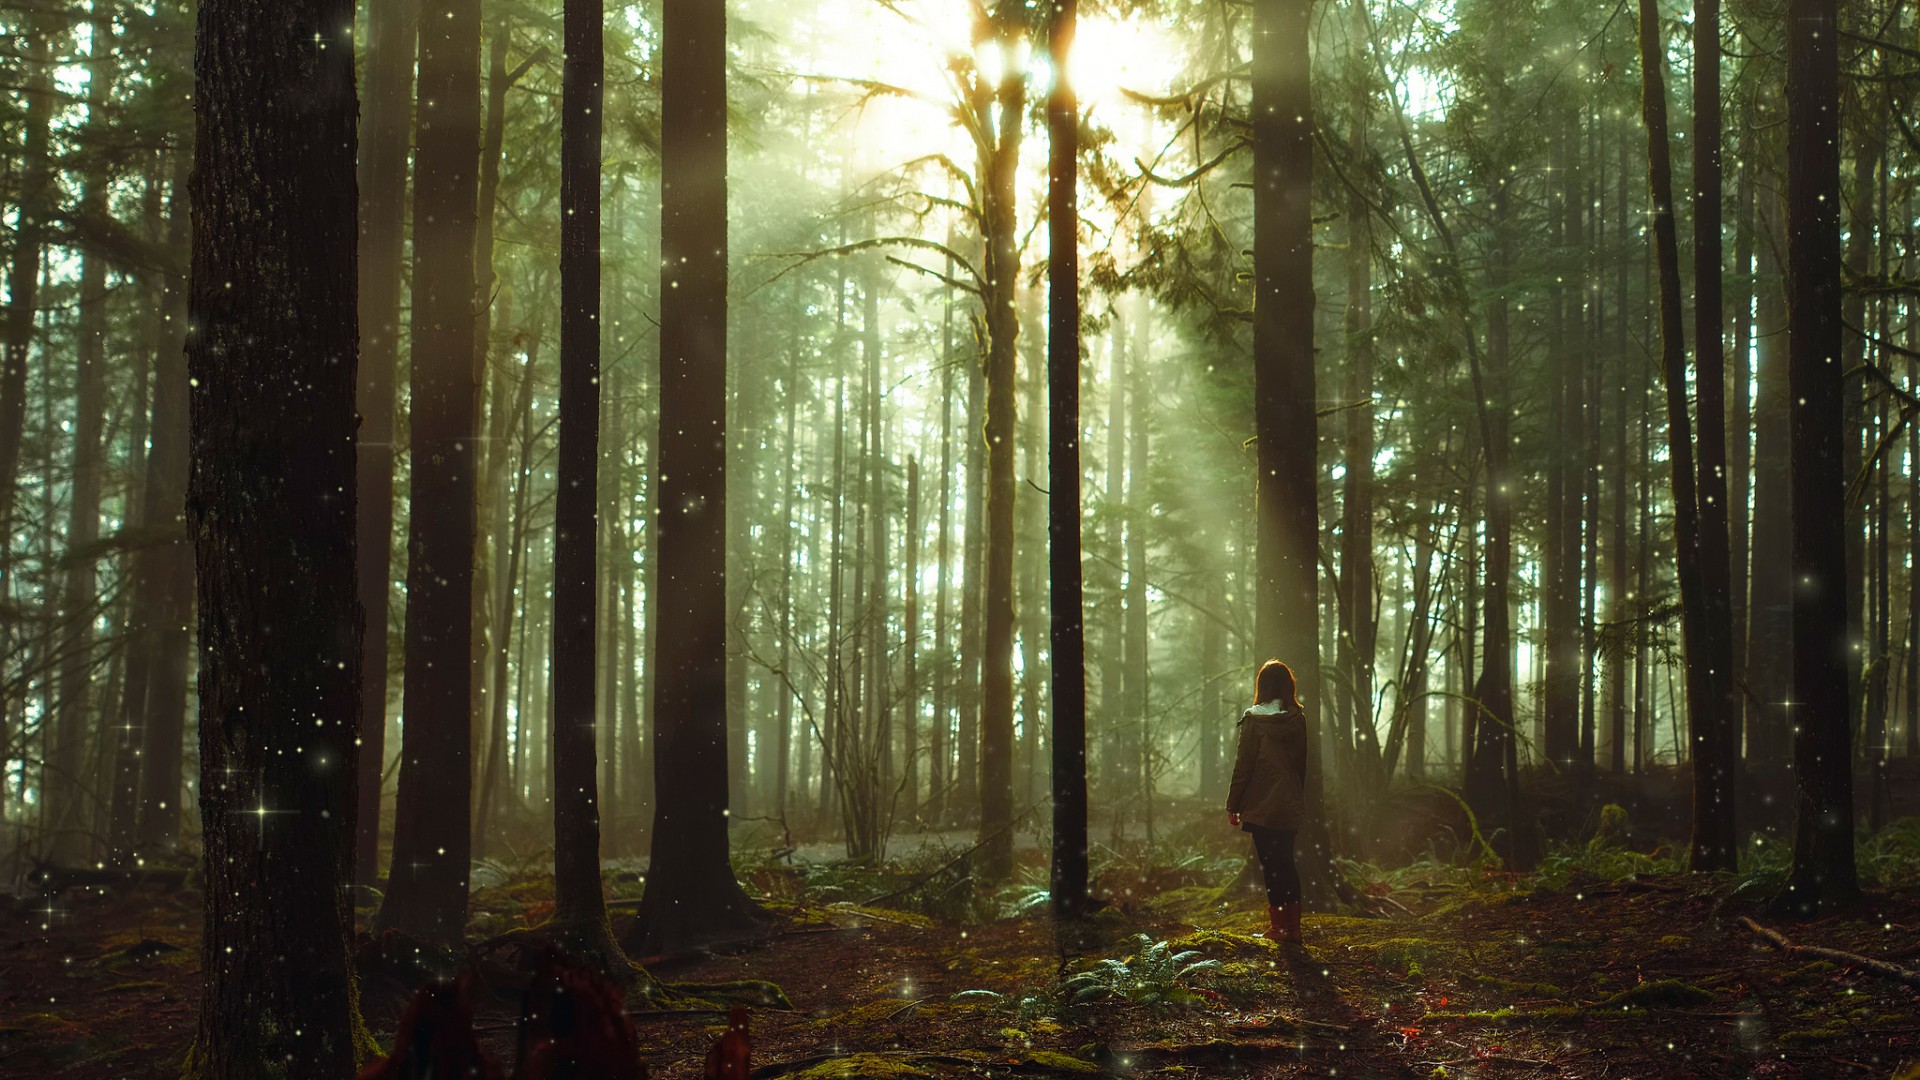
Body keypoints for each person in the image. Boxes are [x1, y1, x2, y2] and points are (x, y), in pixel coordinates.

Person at [1226, 659, 1309, 942]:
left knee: (1271, 866)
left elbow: (1243, 766)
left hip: (1260, 806)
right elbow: (1301, 764)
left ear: (1262, 686)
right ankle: (1293, 929)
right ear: (1288, 685)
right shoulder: (1298, 718)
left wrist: (1232, 805)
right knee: (1287, 863)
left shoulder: (1254, 720)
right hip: (1288, 804)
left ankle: (1279, 929)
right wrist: (1297, 796)